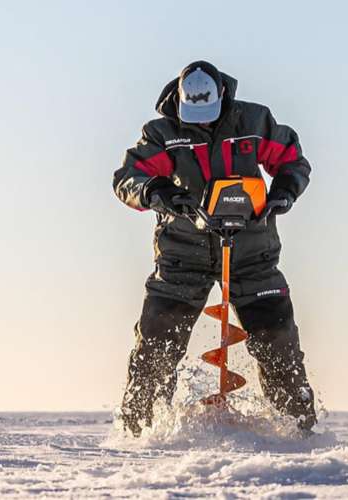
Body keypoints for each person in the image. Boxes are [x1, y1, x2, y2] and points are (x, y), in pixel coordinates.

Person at [113, 61, 316, 436]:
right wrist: (158, 192)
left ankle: (300, 436)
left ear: (223, 95)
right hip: (182, 256)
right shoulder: (163, 133)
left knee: (279, 345)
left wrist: (284, 192)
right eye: (194, 115)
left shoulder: (253, 123)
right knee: (155, 350)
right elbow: (128, 178)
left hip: (253, 253)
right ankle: (136, 437)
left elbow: (292, 160)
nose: (202, 122)